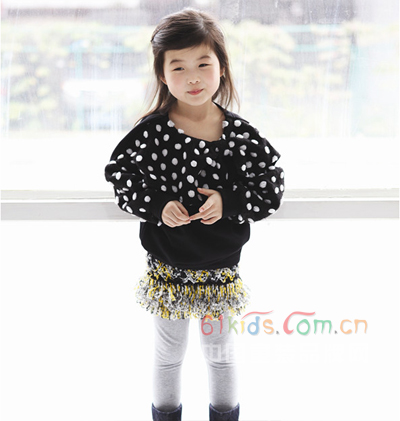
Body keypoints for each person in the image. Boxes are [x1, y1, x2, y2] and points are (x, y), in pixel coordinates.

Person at [104, 8, 284, 421]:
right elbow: (121, 175)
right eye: (179, 67)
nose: (193, 77)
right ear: (163, 74)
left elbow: (270, 186)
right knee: (169, 354)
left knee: (220, 353)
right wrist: (156, 206)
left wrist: (228, 202)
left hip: (220, 268)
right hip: (167, 266)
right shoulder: (151, 133)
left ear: (221, 67)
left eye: (203, 64)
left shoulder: (240, 135)